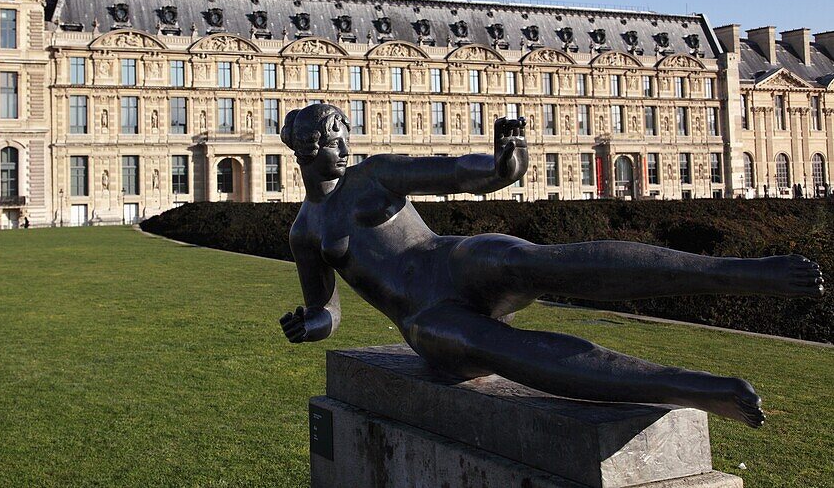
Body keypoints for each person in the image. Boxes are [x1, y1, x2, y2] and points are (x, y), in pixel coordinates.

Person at [278, 104, 824, 428]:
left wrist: (504, 161)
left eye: (343, 133)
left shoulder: (373, 175)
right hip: (424, 314)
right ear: (304, 149)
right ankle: (696, 388)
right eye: (330, 140)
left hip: (451, 262)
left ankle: (745, 272)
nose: (344, 145)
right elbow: (326, 307)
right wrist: (310, 325)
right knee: (504, 351)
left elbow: (465, 174)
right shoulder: (307, 231)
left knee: (537, 261)